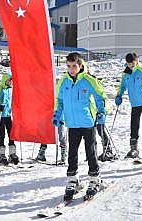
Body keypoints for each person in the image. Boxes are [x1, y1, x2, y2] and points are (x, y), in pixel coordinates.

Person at [53, 52, 107, 200]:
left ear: (80, 65)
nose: (71, 69)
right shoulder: (63, 82)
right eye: (69, 66)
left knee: (90, 151)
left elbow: (100, 96)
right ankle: (72, 180)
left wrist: (101, 112)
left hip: (88, 122)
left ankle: (95, 179)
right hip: (72, 124)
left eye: (74, 66)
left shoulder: (88, 80)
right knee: (72, 153)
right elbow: (59, 101)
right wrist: (57, 115)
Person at [115, 53, 142, 159]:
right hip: (134, 103)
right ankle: (134, 149)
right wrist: (119, 95)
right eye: (128, 63)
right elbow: (122, 86)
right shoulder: (126, 74)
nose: (130, 65)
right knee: (134, 125)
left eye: (132, 63)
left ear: (137, 61)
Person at [0, 72, 19, 165]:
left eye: (11, 80)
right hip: (0, 115)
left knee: (11, 133)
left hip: (8, 114)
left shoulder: (11, 90)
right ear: (5, 80)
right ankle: (1, 154)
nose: (10, 82)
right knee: (2, 133)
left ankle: (12, 153)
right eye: (9, 80)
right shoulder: (0, 89)